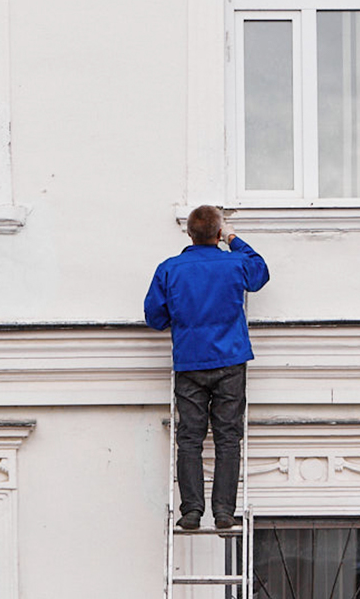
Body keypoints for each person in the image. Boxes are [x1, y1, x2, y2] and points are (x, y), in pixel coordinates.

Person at [144, 205, 269, 530]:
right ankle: (224, 511)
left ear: (189, 233)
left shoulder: (170, 269)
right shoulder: (235, 262)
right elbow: (260, 272)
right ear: (217, 233)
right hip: (230, 359)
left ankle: (192, 511)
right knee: (228, 437)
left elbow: (154, 317)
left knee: (189, 437)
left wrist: (181, 318)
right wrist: (233, 238)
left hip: (190, 361)